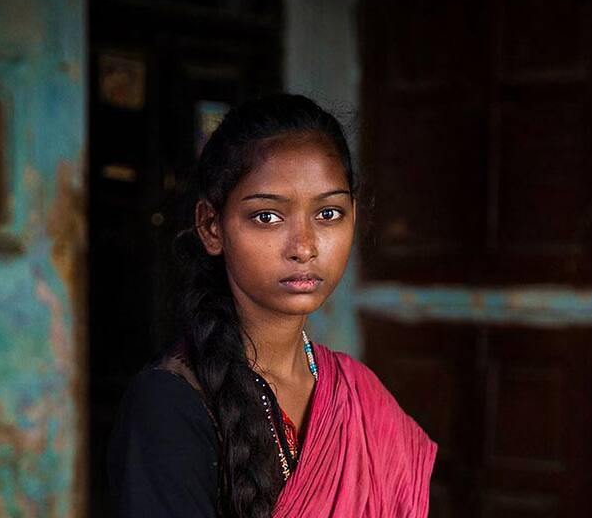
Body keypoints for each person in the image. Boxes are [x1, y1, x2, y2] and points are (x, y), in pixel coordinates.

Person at [108, 94, 437, 518]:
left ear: (354, 215)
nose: (304, 247)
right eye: (268, 216)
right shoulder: (168, 406)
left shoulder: (358, 395)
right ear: (211, 226)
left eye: (329, 213)